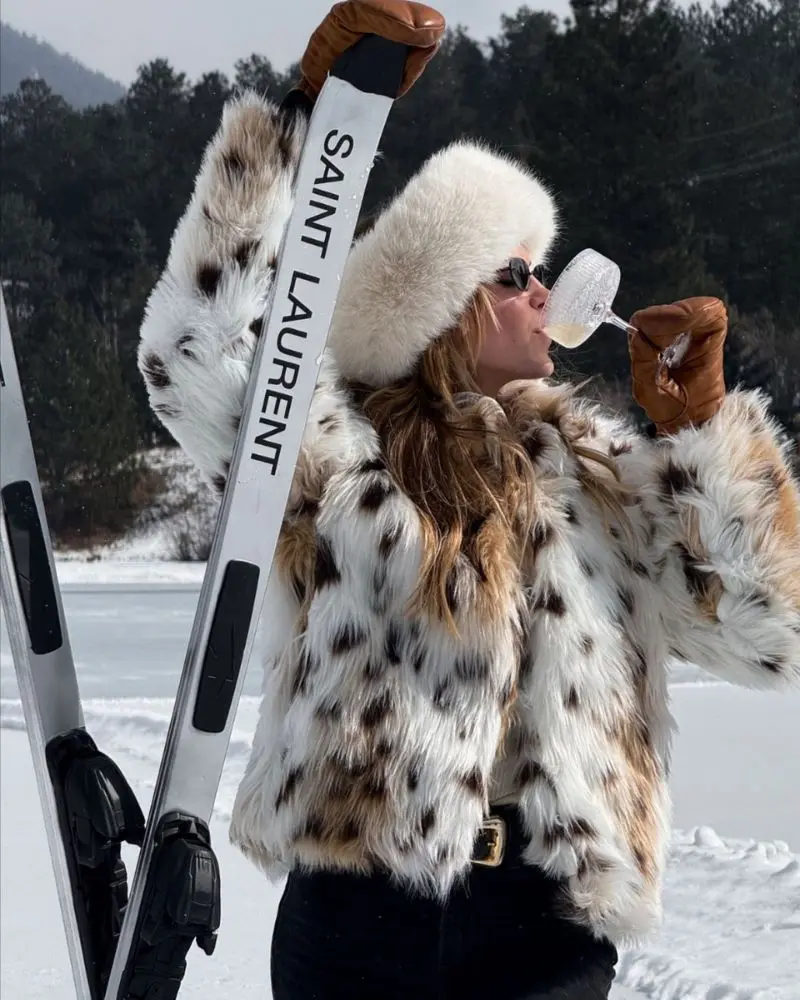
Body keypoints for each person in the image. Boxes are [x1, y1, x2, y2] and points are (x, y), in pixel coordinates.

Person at [137, 4, 800, 997]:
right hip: (358, 911)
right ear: (439, 305)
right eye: (514, 272)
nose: (545, 289)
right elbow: (191, 347)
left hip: (544, 922)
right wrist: (301, 131)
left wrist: (703, 432)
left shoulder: (596, 475)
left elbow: (765, 634)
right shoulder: (336, 450)